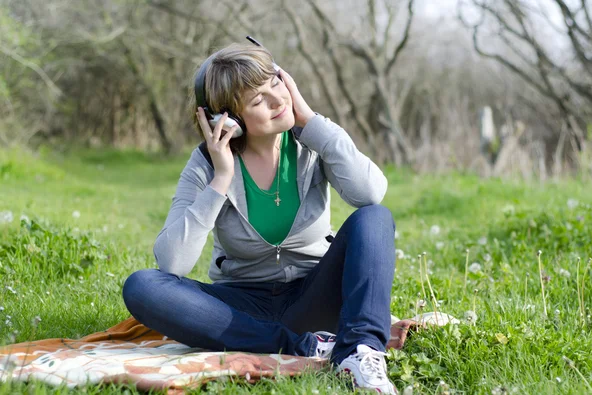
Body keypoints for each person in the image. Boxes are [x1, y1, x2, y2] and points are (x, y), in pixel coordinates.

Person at [122, 41, 398, 394]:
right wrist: (220, 179)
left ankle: (359, 351)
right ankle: (305, 347)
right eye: (257, 100)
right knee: (143, 286)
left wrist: (312, 120)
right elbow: (172, 263)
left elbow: (370, 194)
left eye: (276, 83)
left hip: (314, 295)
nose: (277, 100)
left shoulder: (311, 143)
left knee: (374, 217)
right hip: (240, 306)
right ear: (229, 120)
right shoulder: (206, 166)